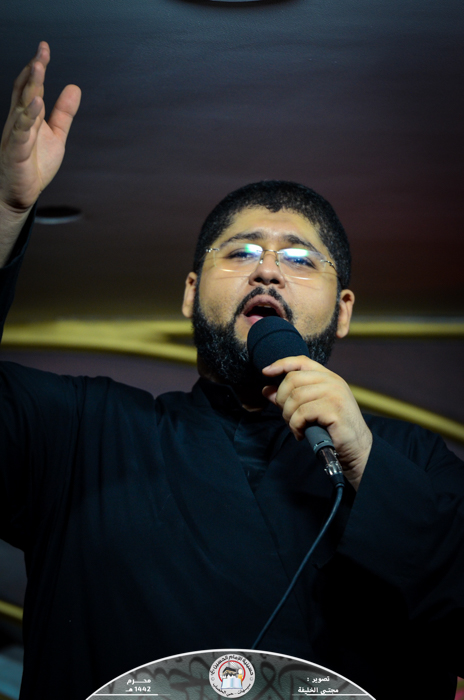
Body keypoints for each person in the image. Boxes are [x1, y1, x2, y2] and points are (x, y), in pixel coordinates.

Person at [0, 42, 463, 700]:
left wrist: (369, 466)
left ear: (343, 311)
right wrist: (6, 211)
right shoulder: (80, 432)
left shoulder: (416, 463)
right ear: (191, 293)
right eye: (240, 252)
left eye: (300, 259)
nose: (267, 268)